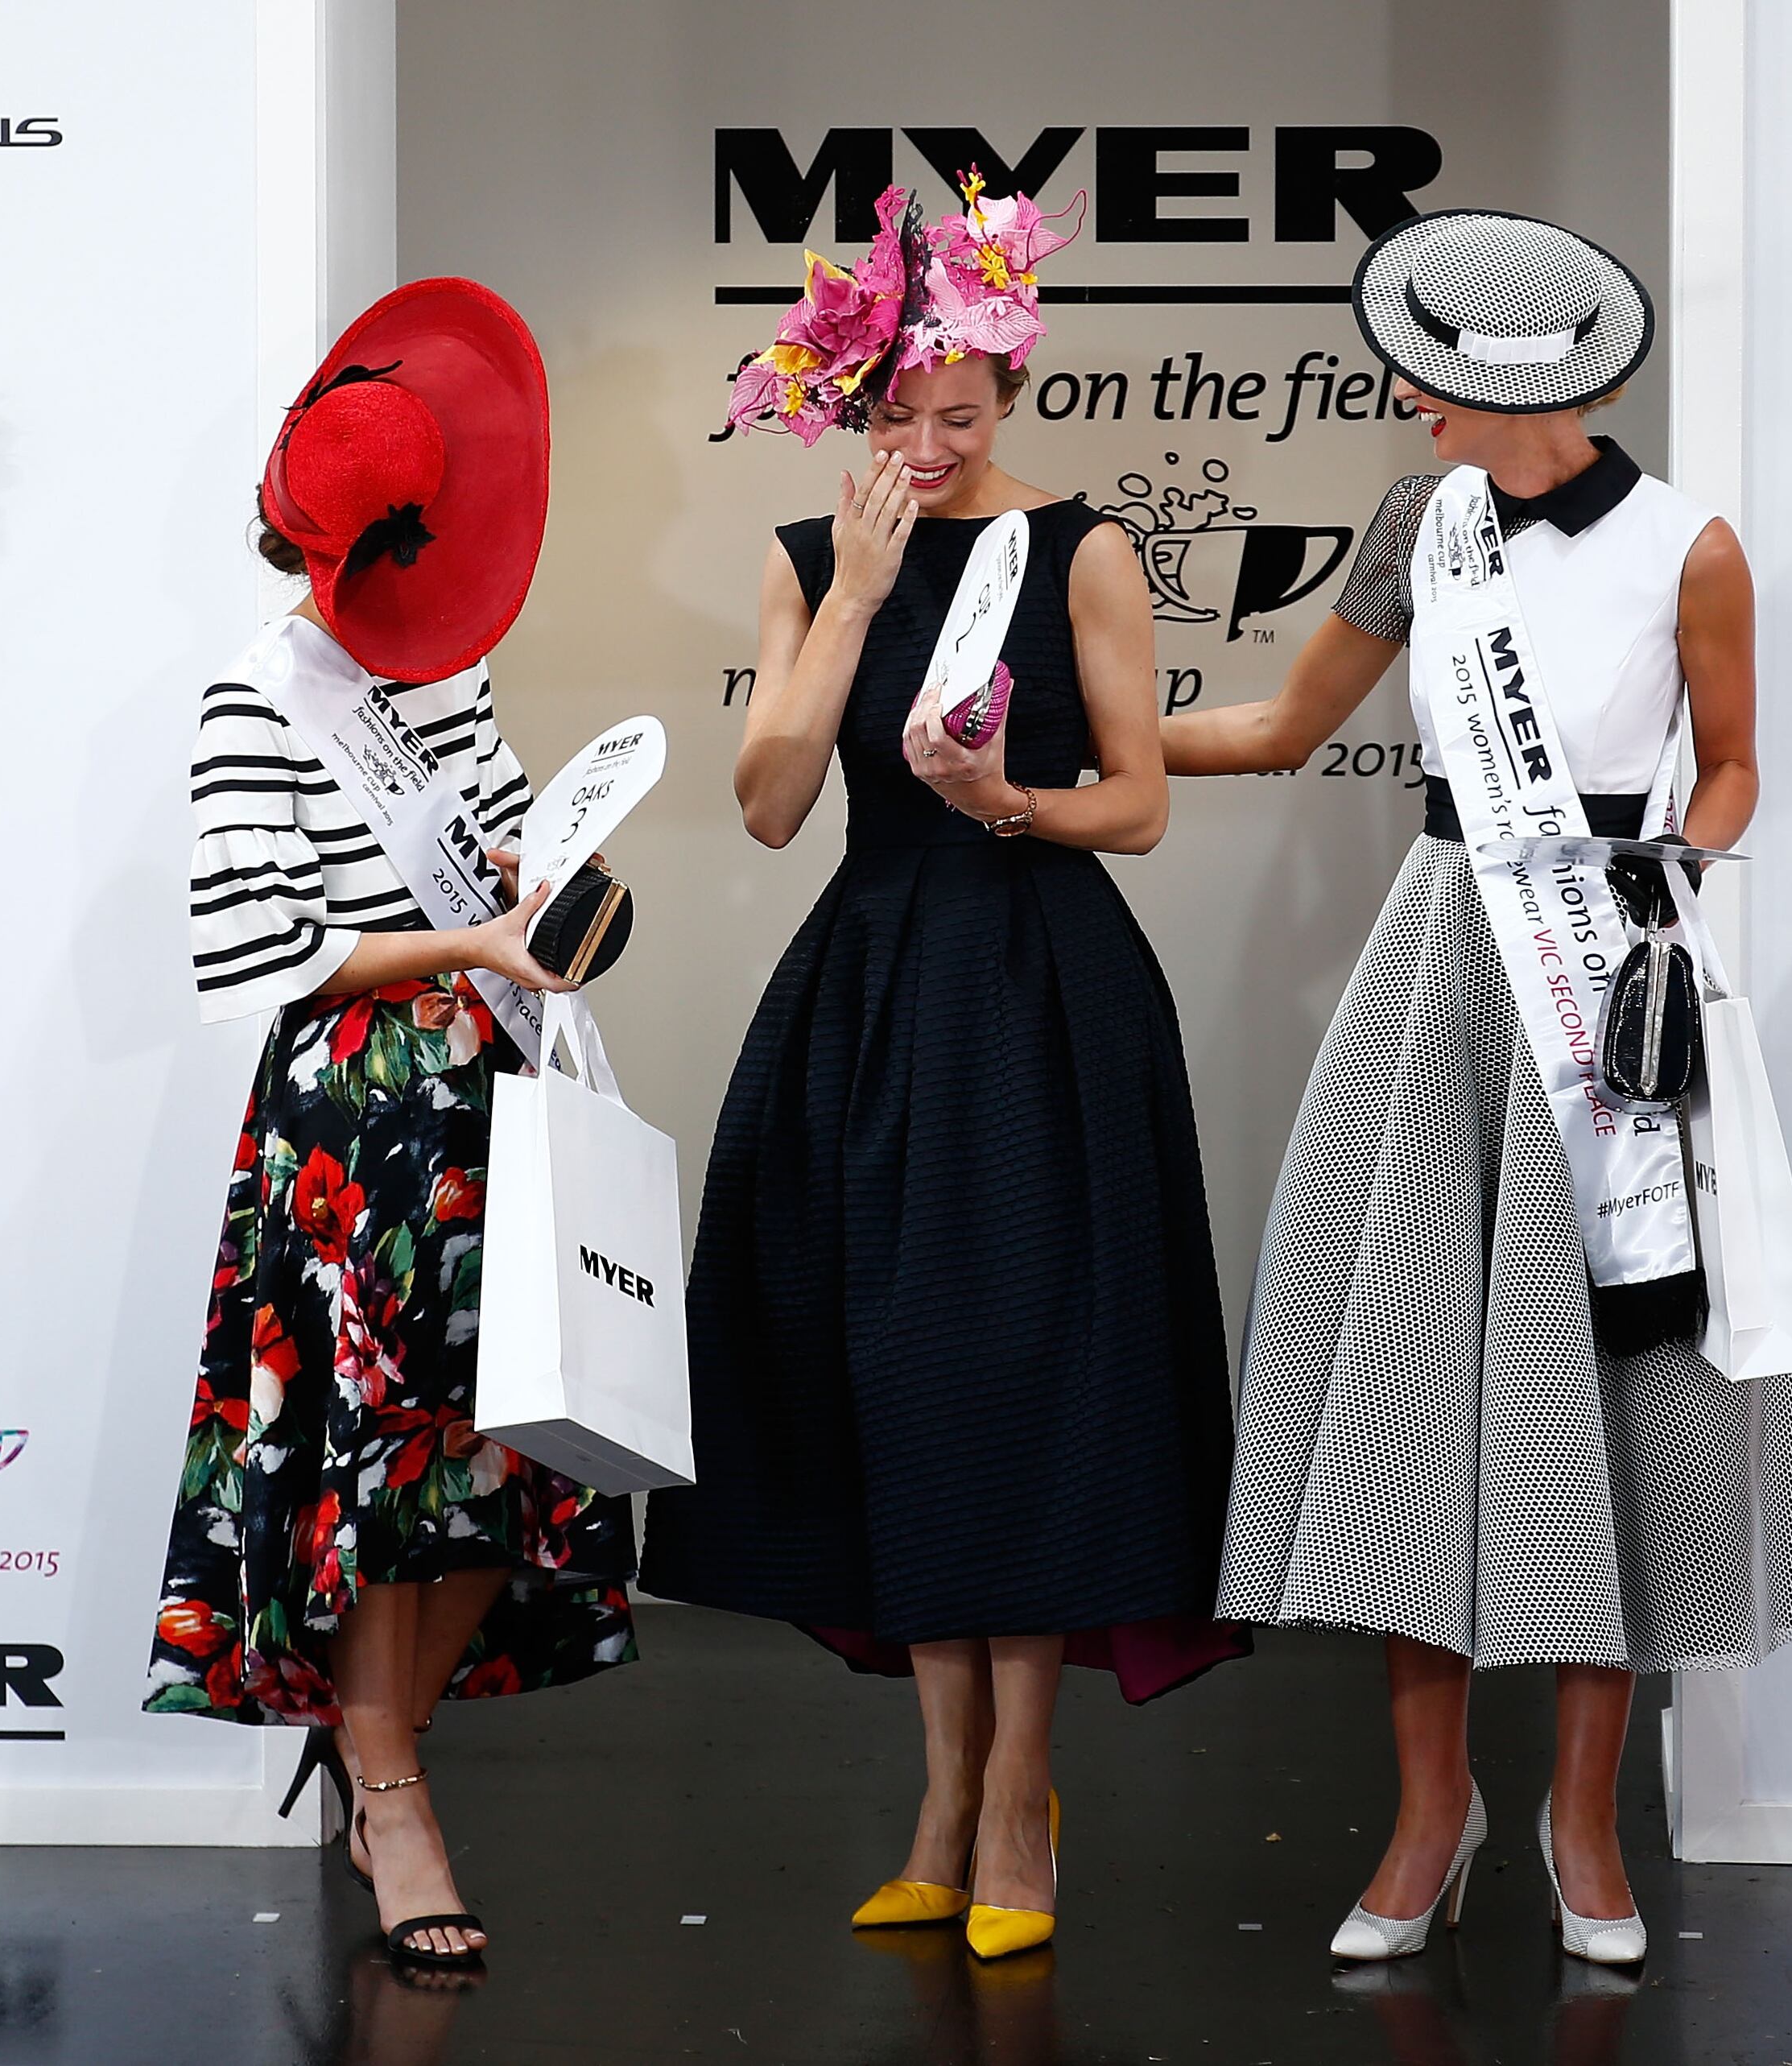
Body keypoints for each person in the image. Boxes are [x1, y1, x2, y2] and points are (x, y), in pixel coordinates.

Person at [1164, 213, 1792, 1967]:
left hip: (1606, 976)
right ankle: (1434, 1812)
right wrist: (1064, 748)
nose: (1408, 405)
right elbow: (1277, 727)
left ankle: (1582, 1817)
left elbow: (1735, 765)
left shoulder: (1688, 547)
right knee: (1415, 1372)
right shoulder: (1417, 523)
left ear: (1527, 393)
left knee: (1614, 1391)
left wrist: (1668, 877)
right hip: (1439, 959)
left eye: (1432, 382)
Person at [639, 179, 1245, 1961]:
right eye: (897, 416)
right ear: (853, 406)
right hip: (877, 992)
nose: (927, 445)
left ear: (1008, 389)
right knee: (895, 1381)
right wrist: (854, 600)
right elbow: (769, 806)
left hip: (1044, 990)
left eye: (959, 416)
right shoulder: (811, 557)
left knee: (1026, 1380)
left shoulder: (1082, 549)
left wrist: (1012, 801)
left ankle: (1017, 1798)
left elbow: (1139, 804)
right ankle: (940, 1796)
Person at [144, 280, 636, 1972]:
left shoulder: (450, 664)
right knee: (376, 1465)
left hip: (494, 1092)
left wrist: (544, 884)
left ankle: (379, 1753)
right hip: (355, 1131)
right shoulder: (255, 697)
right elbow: (264, 949)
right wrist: (475, 940)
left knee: (509, 1452)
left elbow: (500, 838)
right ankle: (394, 1789)